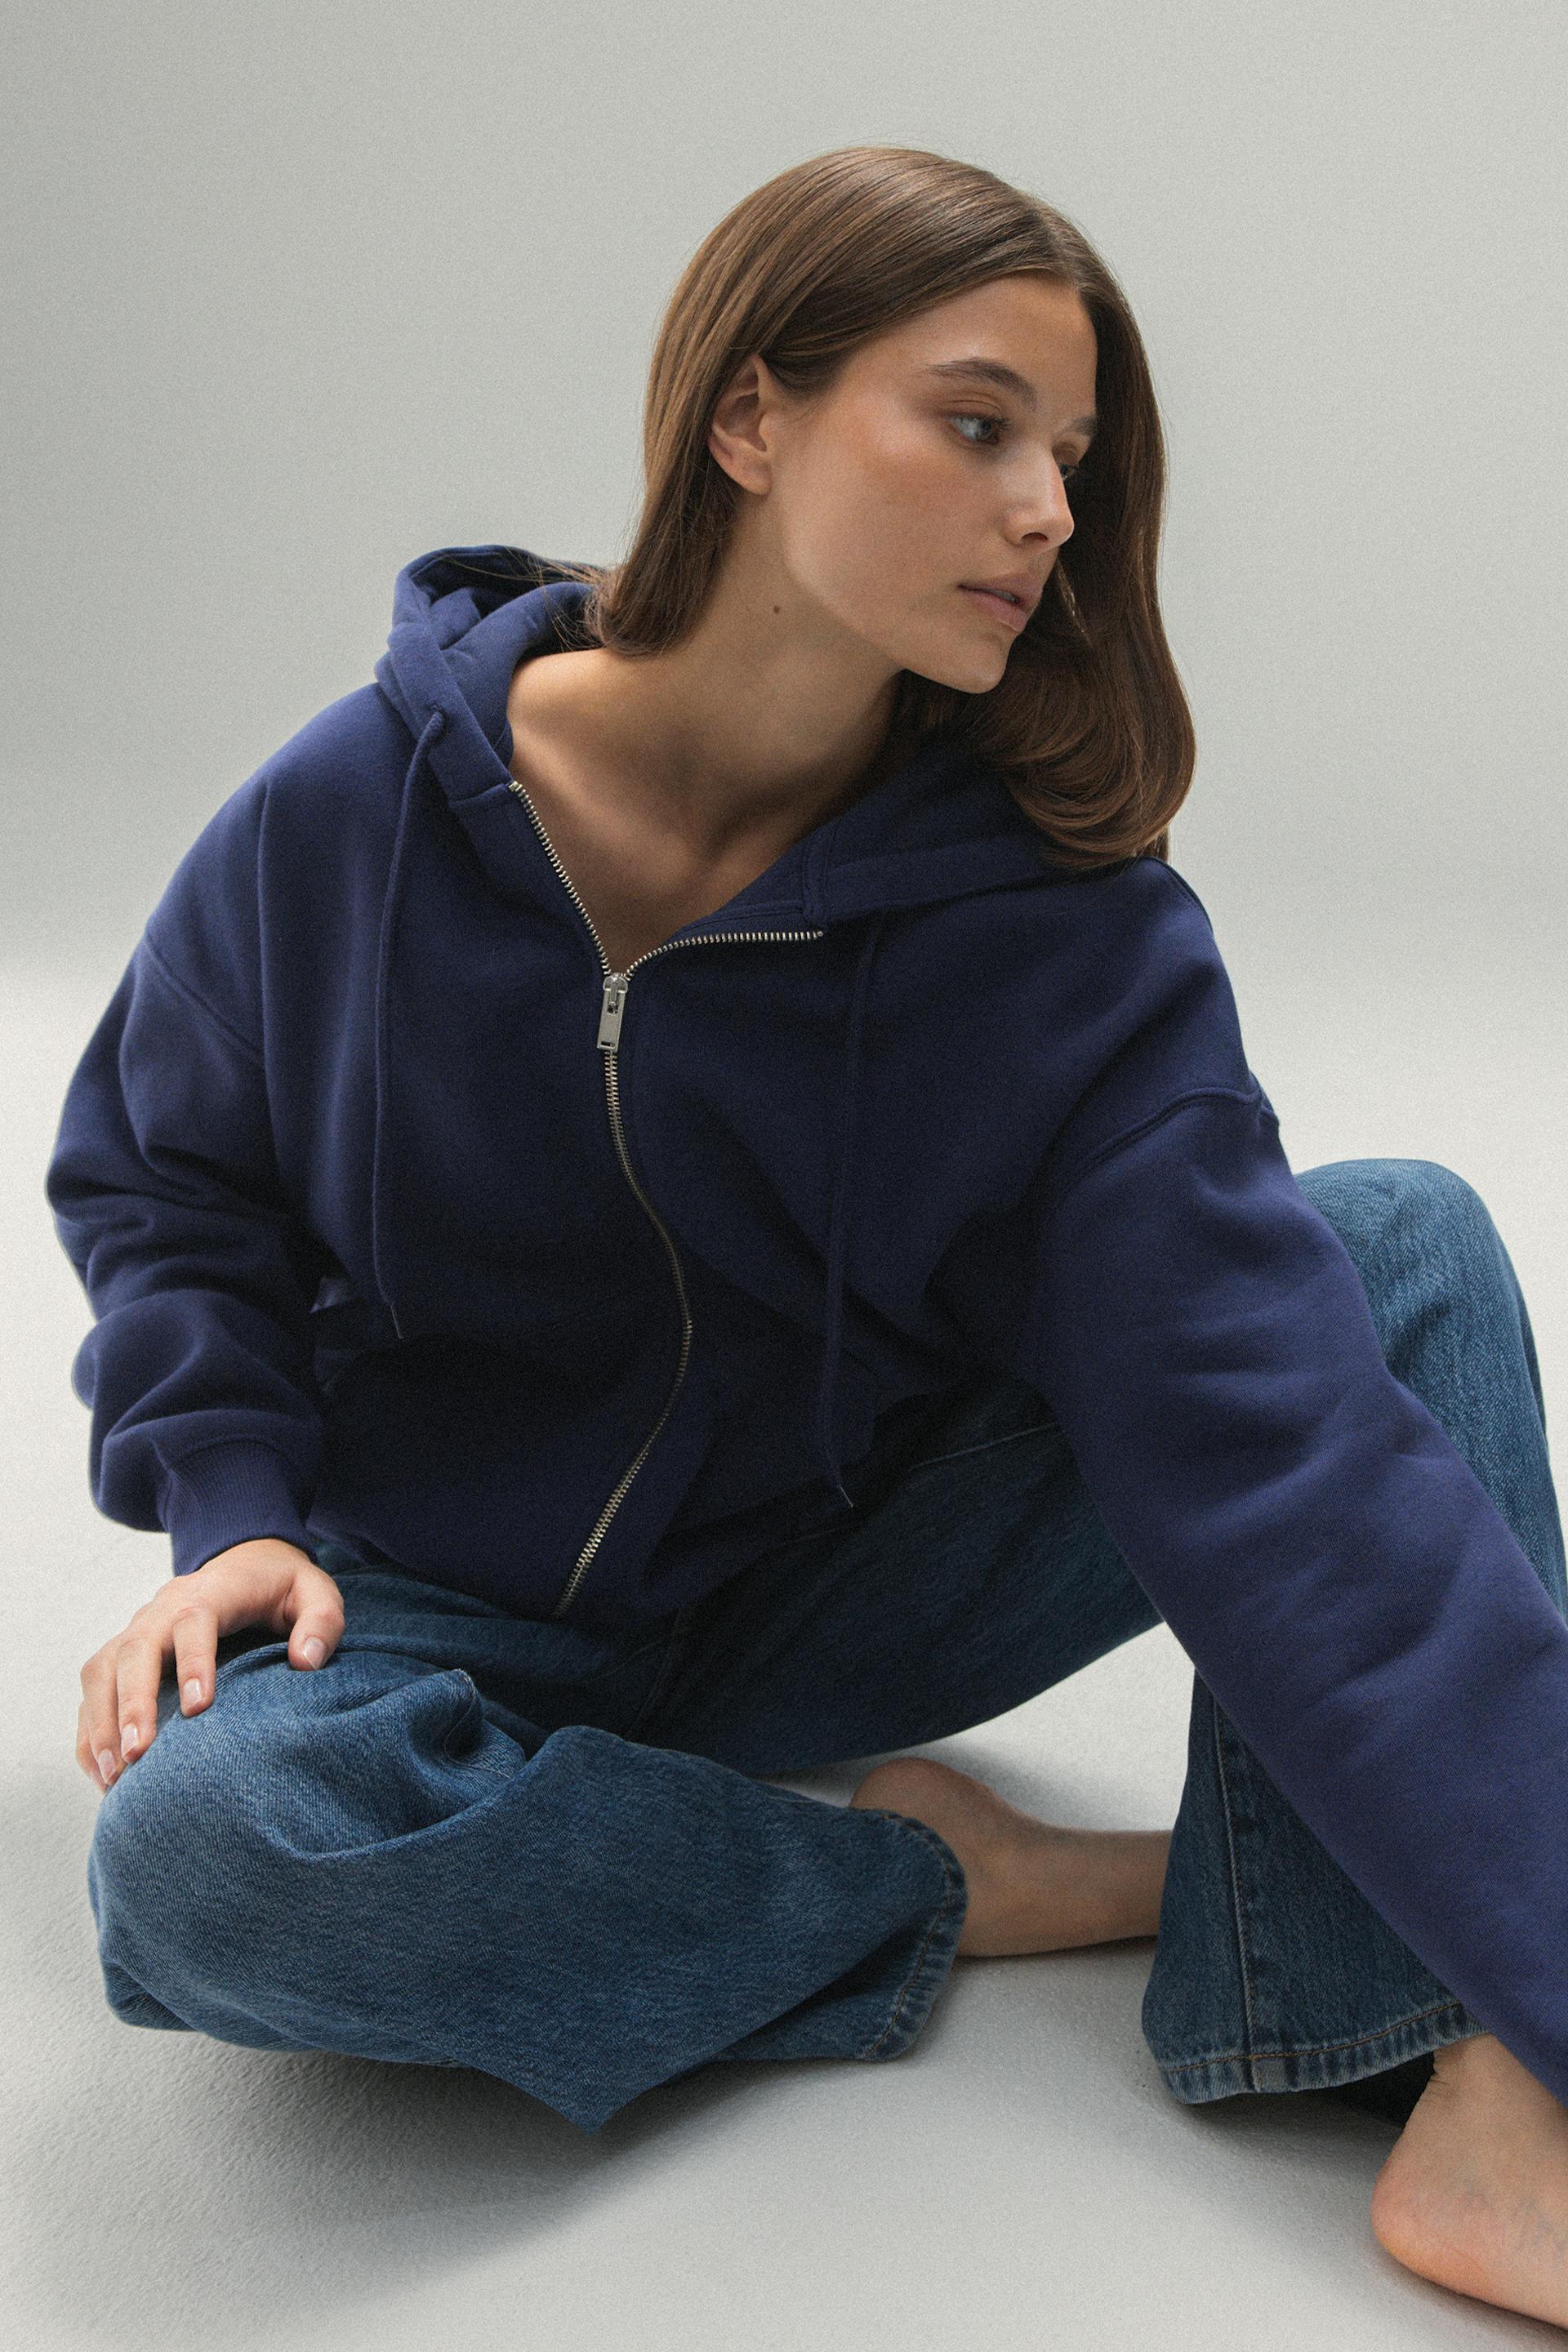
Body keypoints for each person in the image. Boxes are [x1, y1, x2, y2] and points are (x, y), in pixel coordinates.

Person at [43, 144, 1568, 2328]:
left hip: (843, 1573)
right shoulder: (358, 810)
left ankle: (1490, 2090)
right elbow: (165, 1174)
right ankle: (943, 1880)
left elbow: (1301, 1472)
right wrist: (233, 1510)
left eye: (1070, 459)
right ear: (750, 416)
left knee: (1399, 1244)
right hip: (427, 1603)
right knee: (215, 1856)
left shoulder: (1063, 940)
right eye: (977, 425)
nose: (1046, 513)